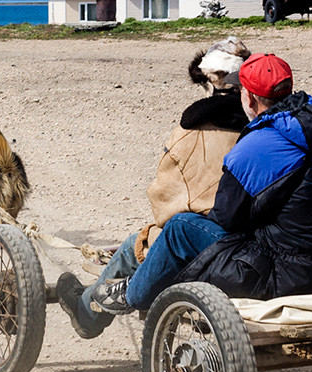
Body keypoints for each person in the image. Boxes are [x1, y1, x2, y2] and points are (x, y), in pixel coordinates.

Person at [62, 52, 312, 331]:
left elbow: (225, 220)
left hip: (289, 279)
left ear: (247, 97)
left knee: (179, 229)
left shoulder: (252, 148)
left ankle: (130, 294)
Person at [56, 37, 252, 339]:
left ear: (210, 84)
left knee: (136, 245)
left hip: (215, 243)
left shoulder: (190, 135)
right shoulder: (268, 127)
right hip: (259, 239)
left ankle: (87, 313)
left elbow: (165, 202)